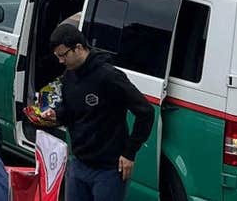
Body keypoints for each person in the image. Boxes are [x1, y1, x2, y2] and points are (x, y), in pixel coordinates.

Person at [36, 23, 153, 201]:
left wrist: (130, 152)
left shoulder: (109, 76)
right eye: (57, 56)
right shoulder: (69, 75)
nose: (60, 61)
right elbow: (71, 110)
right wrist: (57, 115)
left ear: (78, 48)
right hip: (79, 164)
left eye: (63, 55)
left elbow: (146, 112)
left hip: (108, 170)